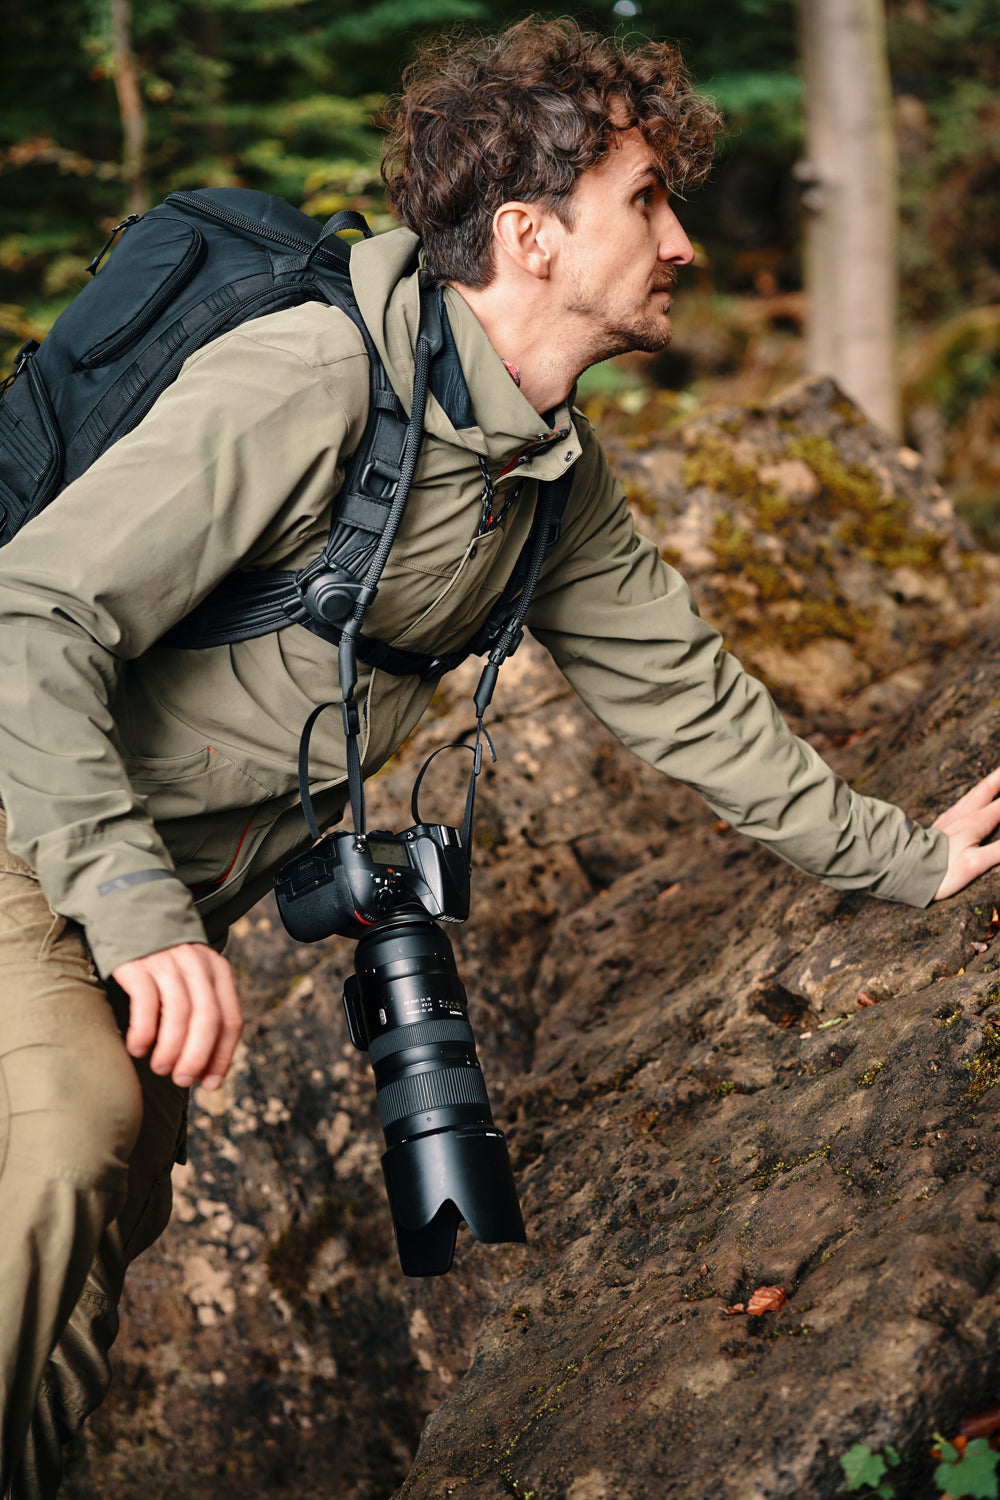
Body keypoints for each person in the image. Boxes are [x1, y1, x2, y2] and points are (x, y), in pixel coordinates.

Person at [1, 17, 999, 1496]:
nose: (683, 244)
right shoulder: (312, 381)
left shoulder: (547, 470)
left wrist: (912, 862)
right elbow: (29, 610)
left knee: (105, 1225)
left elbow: (689, 700)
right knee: (69, 1133)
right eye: (645, 202)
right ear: (530, 234)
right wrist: (141, 916)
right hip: (36, 820)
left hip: (146, 886)